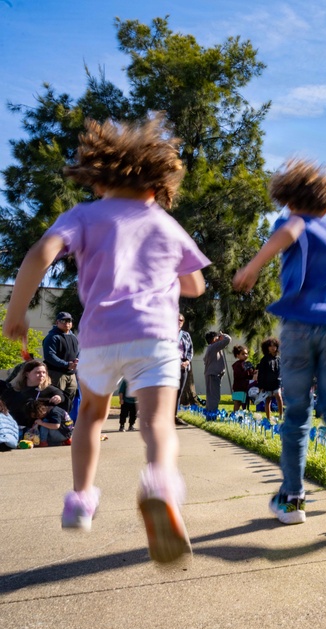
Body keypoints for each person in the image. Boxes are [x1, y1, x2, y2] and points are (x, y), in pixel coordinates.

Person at [1, 114, 210, 562]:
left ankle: (80, 500)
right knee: (157, 421)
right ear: (158, 185)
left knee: (92, 417)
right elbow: (195, 286)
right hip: (154, 337)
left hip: (100, 339)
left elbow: (41, 253)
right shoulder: (164, 223)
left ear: (98, 180)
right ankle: (160, 485)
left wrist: (16, 311)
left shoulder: (84, 216)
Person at [232, 157, 326, 527]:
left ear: (291, 196)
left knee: (296, 415)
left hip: (299, 327)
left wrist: (252, 267)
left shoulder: (294, 219)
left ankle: (292, 499)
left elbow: (290, 230)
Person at [0, 360, 67, 429]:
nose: (42, 375)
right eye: (38, 372)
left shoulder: (49, 389)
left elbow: (61, 395)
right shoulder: (15, 389)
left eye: (44, 372)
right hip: (14, 426)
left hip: (37, 431)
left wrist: (58, 397)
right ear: (27, 374)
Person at [42, 312, 80, 406]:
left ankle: (66, 420)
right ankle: (53, 420)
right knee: (55, 400)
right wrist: (66, 364)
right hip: (56, 374)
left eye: (69, 321)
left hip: (71, 375)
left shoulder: (73, 337)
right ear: (57, 322)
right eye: (63, 320)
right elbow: (50, 356)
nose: (66, 323)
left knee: (69, 402)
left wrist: (77, 360)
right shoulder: (52, 337)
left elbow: (77, 353)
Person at [203, 331, 232, 417]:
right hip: (213, 375)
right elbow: (228, 340)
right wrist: (222, 335)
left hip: (211, 374)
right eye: (217, 338)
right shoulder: (214, 347)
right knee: (214, 397)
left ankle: (209, 414)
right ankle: (212, 416)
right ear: (213, 339)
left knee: (211, 396)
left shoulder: (212, 348)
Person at [256, 337, 283, 420]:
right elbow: (261, 373)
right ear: (267, 347)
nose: (272, 347)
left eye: (274, 346)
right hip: (266, 383)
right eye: (270, 346)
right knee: (268, 400)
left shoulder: (279, 359)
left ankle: (280, 415)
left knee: (278, 396)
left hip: (276, 383)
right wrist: (260, 386)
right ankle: (268, 417)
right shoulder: (264, 360)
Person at [176, 313, 194, 422]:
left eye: (181, 320)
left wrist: (187, 361)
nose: (178, 321)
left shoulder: (186, 335)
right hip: (171, 365)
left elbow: (190, 350)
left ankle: (174, 415)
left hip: (183, 366)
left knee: (178, 391)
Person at [231, 345, 254, 411]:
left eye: (246, 353)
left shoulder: (247, 363)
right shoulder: (237, 365)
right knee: (238, 402)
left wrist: (252, 372)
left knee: (245, 402)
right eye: (243, 354)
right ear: (237, 355)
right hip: (239, 387)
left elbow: (250, 375)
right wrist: (246, 371)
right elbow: (239, 375)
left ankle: (243, 414)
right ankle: (234, 414)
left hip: (245, 386)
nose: (245, 355)